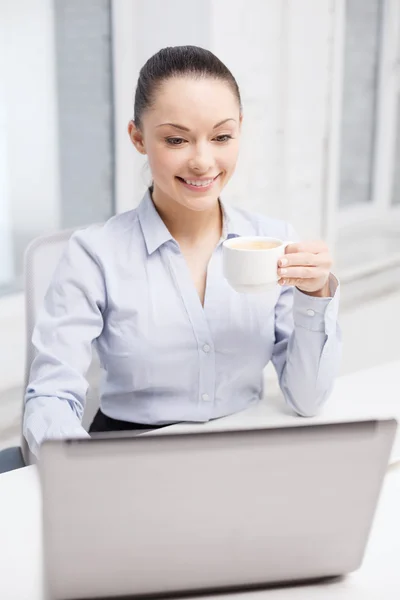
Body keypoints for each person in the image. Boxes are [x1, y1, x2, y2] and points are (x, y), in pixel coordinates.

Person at [23, 46, 341, 458]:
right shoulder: (94, 254)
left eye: (222, 136)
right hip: (129, 458)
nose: (203, 162)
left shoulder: (274, 239)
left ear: (240, 130)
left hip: (242, 450)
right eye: (176, 139)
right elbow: (50, 395)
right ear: (138, 137)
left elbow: (307, 399)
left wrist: (314, 296)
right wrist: (82, 476)